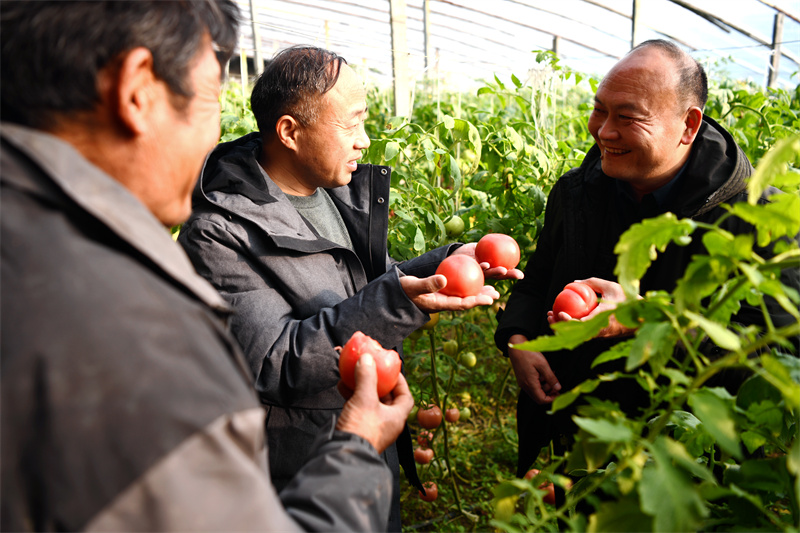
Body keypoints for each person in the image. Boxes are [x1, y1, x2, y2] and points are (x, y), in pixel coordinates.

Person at [0, 2, 414, 531]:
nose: (217, 139)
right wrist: (356, 449)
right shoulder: (122, 316)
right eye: (212, 99)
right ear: (139, 90)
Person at [177, 45, 522, 530]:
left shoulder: (331, 191)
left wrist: (445, 261)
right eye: (351, 123)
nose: (364, 140)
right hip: (303, 469)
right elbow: (275, 362)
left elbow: (357, 287)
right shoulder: (219, 233)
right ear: (290, 132)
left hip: (365, 442)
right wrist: (398, 302)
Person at [494, 39, 800, 478]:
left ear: (688, 125)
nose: (603, 131)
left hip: (687, 464)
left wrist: (648, 320)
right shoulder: (576, 192)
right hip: (579, 441)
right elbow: (539, 277)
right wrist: (518, 337)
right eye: (599, 110)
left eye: (628, 117)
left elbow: (775, 365)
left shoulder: (762, 222)